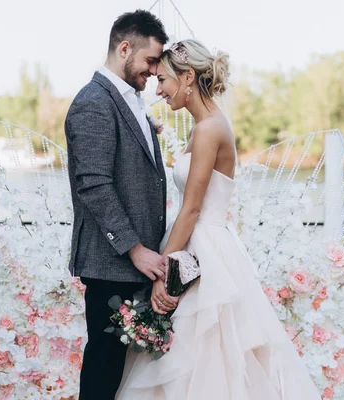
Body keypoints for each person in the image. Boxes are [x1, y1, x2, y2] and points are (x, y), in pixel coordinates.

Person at [116, 39, 322, 400]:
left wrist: (164, 273)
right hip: (195, 243)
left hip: (204, 251)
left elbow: (193, 208)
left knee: (208, 355)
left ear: (188, 77)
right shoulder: (203, 127)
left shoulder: (211, 128)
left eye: (163, 79)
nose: (158, 89)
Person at [64, 10, 170, 400]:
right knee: (104, 369)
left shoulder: (132, 100)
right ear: (124, 48)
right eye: (150, 60)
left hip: (136, 265)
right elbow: (93, 185)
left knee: (125, 372)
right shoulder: (94, 102)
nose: (155, 71)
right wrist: (135, 248)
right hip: (113, 263)